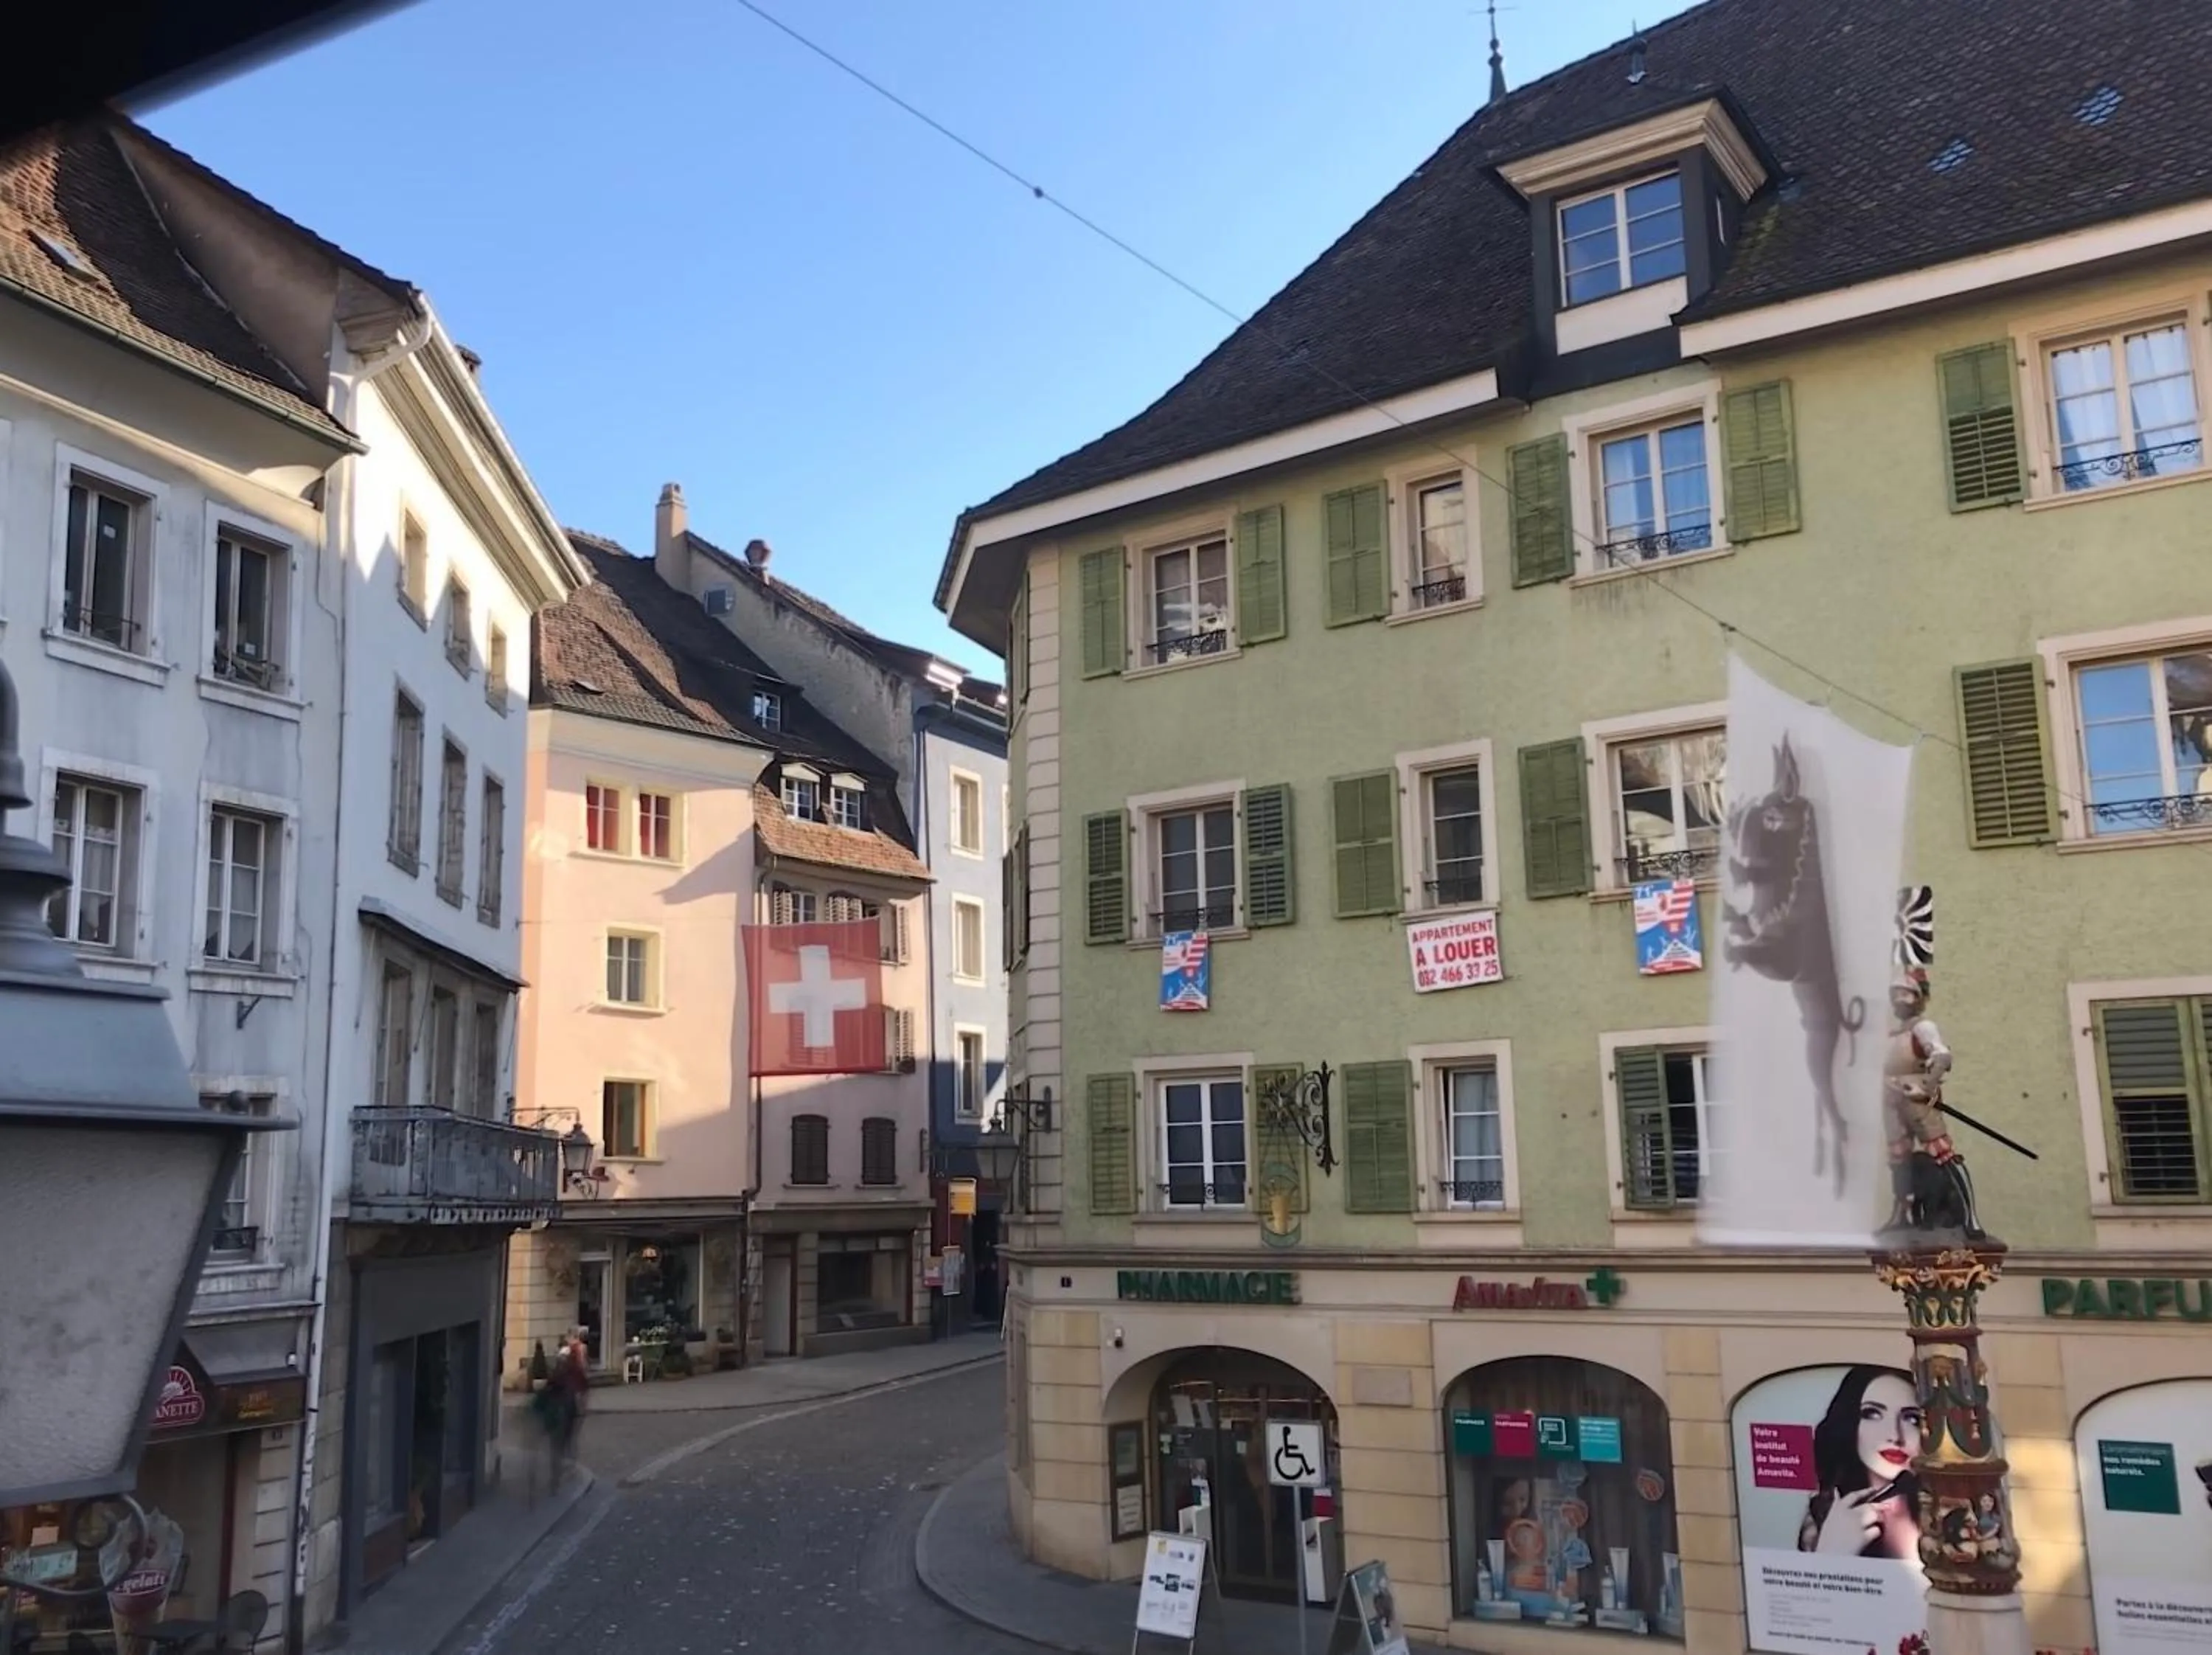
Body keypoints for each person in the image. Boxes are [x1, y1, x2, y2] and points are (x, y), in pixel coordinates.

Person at [1797, 1365, 1923, 1561]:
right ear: (1850, 1423)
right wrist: (1832, 1552)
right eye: (1872, 1414)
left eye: (1912, 1419)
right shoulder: (1825, 1518)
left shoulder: (1950, 1511)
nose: (1895, 1436)